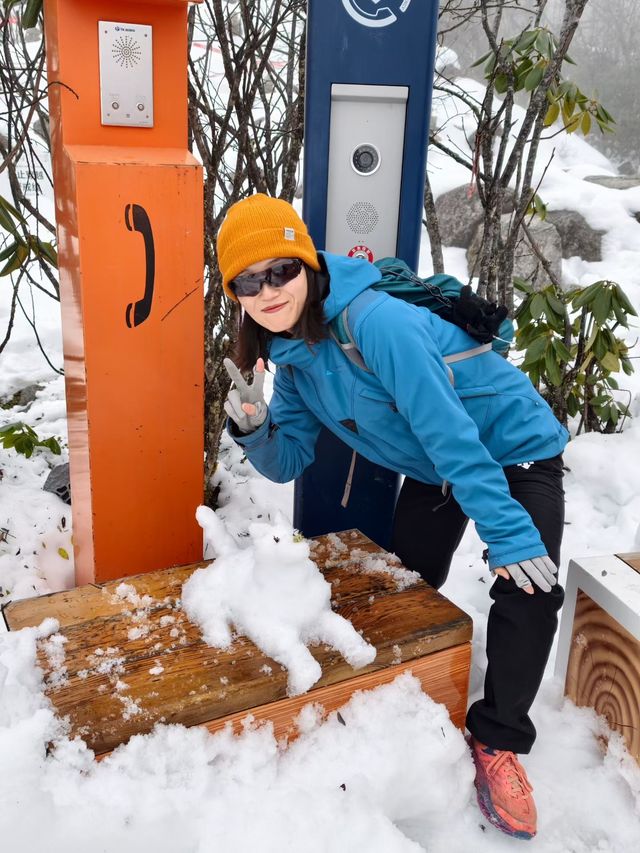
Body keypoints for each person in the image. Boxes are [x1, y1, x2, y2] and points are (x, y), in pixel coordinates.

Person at [217, 193, 568, 841]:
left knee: (530, 583)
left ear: (306, 264)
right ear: (234, 292)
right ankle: (413, 693)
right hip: (442, 463)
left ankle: (499, 739)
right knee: (407, 579)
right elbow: (289, 458)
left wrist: (510, 534)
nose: (267, 290)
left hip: (510, 448)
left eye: (281, 270)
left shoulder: (376, 321)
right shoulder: (292, 359)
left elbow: (451, 429)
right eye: (247, 279)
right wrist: (256, 425)